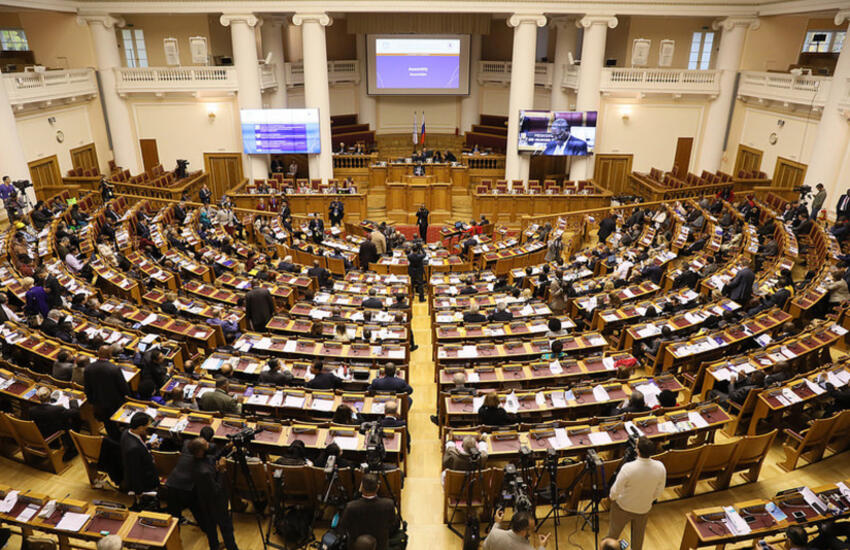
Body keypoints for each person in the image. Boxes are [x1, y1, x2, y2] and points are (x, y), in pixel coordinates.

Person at [607, 437, 666, 550]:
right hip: (643, 509)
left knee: (612, 536)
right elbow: (658, 492)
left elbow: (615, 491)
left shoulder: (628, 468)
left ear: (637, 451)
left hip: (622, 507)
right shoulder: (660, 467)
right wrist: (646, 500)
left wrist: (613, 498)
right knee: (638, 539)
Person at [189, 437, 240, 550]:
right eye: (206, 444)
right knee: (225, 528)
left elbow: (214, 457)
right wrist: (221, 470)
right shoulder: (203, 471)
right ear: (200, 451)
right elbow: (216, 490)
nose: (209, 445)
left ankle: (215, 547)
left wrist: (227, 448)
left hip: (204, 500)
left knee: (211, 529)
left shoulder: (198, 459)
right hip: (215, 504)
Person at [339, 473, 397, 550]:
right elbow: (392, 523)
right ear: (378, 487)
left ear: (361, 487)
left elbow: (343, 527)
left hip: (356, 546)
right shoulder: (388, 504)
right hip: (381, 546)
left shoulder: (351, 507)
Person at [84, 345, 130, 440]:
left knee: (108, 425)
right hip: (116, 403)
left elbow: (87, 389)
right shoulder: (114, 369)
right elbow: (124, 388)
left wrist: (92, 402)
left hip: (99, 403)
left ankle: (114, 441)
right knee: (122, 421)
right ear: (110, 355)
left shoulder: (88, 368)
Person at [29, 386, 80, 460]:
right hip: (55, 437)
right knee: (75, 420)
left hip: (41, 434)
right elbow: (75, 412)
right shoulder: (57, 410)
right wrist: (72, 401)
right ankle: (72, 447)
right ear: (50, 396)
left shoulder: (32, 410)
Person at [120, 413, 159, 494]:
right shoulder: (134, 448)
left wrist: (148, 445)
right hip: (146, 479)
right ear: (141, 428)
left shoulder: (126, 432)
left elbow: (139, 448)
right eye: (147, 426)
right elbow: (135, 471)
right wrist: (138, 491)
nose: (148, 427)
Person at [483, 509, 549, 550]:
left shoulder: (494, 533)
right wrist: (542, 546)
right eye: (532, 528)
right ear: (523, 532)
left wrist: (497, 523)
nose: (534, 529)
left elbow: (484, 547)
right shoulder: (527, 548)